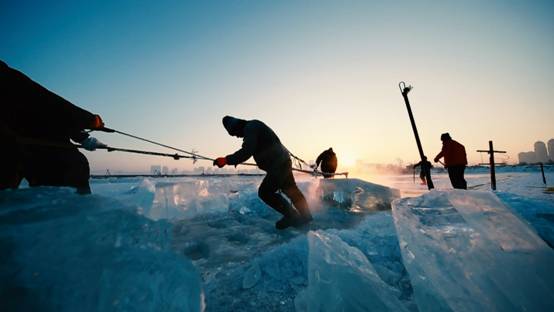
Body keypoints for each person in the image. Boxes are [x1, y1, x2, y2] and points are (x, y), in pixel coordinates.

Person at [0, 60, 107, 194]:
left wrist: (82, 137)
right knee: (71, 164)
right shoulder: (7, 78)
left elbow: (38, 112)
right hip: (25, 150)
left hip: (15, 147)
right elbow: (41, 101)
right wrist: (90, 120)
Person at [213, 116, 312, 229]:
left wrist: (226, 160)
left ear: (237, 126)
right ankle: (306, 216)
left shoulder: (251, 127)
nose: (236, 136)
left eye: (234, 133)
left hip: (278, 164)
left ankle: (292, 216)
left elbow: (247, 150)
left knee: (265, 192)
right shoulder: (253, 127)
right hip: (282, 162)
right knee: (291, 190)